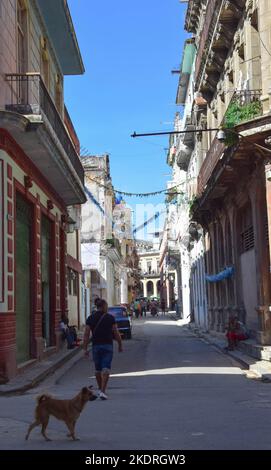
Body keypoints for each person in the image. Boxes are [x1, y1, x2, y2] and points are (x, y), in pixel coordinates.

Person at [83, 299, 123, 400]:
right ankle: (102, 391)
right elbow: (116, 332)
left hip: (96, 346)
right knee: (106, 369)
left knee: (97, 370)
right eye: (107, 306)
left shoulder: (90, 318)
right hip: (107, 346)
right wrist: (120, 344)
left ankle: (101, 389)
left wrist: (85, 348)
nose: (107, 308)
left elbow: (86, 334)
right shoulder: (110, 318)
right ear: (104, 306)